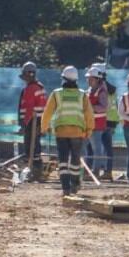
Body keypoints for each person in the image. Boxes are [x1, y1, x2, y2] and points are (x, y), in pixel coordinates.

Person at [41, 66, 93, 195]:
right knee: (75, 160)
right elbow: (89, 114)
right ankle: (75, 184)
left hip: (61, 132)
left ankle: (65, 187)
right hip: (77, 132)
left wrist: (44, 127)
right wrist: (89, 129)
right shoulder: (82, 95)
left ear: (63, 78)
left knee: (63, 160)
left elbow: (47, 112)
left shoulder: (56, 93)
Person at [18, 61, 47, 181]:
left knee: (31, 146)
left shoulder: (31, 88)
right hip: (38, 121)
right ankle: (36, 171)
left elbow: (29, 108)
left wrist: (24, 124)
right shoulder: (40, 87)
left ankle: (33, 171)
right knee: (35, 146)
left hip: (32, 122)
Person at [84, 66, 109, 175]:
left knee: (97, 149)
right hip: (87, 124)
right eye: (88, 79)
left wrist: (90, 107)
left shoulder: (102, 91)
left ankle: (96, 171)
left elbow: (103, 107)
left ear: (97, 79)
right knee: (82, 148)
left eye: (91, 79)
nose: (88, 81)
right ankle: (84, 169)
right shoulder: (89, 90)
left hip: (97, 125)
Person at [103, 72, 119, 181]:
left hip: (101, 120)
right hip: (112, 121)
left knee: (93, 148)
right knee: (108, 148)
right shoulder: (113, 89)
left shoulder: (100, 89)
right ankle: (108, 171)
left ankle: (92, 170)